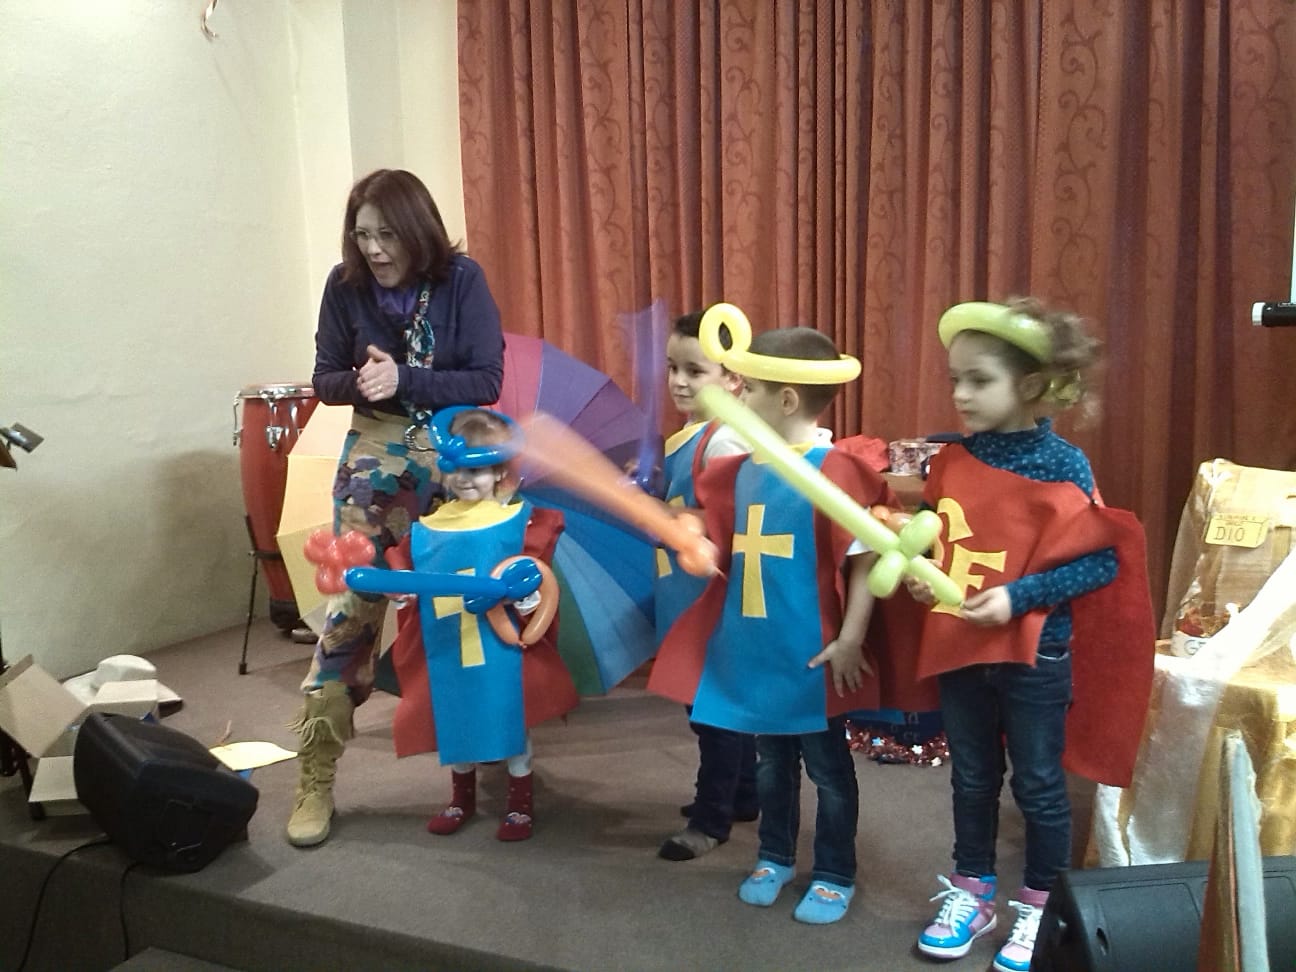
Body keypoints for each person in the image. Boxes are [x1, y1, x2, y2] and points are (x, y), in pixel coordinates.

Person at [908, 298, 1149, 972]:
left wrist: (1019, 597)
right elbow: (933, 541)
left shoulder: (1062, 464)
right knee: (971, 778)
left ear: (1033, 384)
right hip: (961, 646)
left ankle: (1043, 904)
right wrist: (925, 577)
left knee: (1039, 784)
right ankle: (973, 892)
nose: (960, 394)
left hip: (1035, 652)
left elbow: (1100, 561)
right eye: (955, 379)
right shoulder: (949, 461)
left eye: (979, 380)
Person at [650, 325, 903, 926]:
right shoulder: (741, 470)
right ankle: (774, 856)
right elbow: (725, 542)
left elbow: (863, 559)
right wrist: (696, 543)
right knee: (770, 764)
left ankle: (835, 871)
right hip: (754, 645)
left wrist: (851, 638)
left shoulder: (832, 471)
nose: (739, 395)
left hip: (811, 651)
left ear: (786, 399)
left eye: (752, 387)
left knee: (828, 770)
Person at [287, 169, 505, 848]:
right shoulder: (343, 285)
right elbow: (324, 378)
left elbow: (487, 378)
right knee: (352, 609)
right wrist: (365, 381)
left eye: (387, 233)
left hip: (456, 451)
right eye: (362, 234)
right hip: (376, 452)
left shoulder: (462, 280)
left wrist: (405, 376)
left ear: (417, 230)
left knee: (477, 601)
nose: (375, 249)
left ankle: (498, 748)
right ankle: (315, 777)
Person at [379, 408, 578, 842]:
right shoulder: (428, 529)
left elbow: (535, 579)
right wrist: (402, 592)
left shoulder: (517, 524)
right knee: (454, 713)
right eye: (457, 469)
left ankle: (520, 803)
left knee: (510, 716)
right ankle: (460, 799)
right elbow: (410, 574)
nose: (466, 479)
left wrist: (523, 595)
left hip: (497, 642)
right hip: (448, 640)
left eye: (477, 470)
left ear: (499, 472)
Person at [654, 310, 759, 863]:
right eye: (673, 367)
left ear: (734, 379)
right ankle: (743, 794)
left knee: (714, 712)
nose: (678, 381)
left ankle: (710, 819)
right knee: (708, 706)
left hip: (714, 600)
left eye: (695, 371)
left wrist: (680, 520)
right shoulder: (691, 434)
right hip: (686, 594)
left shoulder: (725, 440)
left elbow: (736, 522)